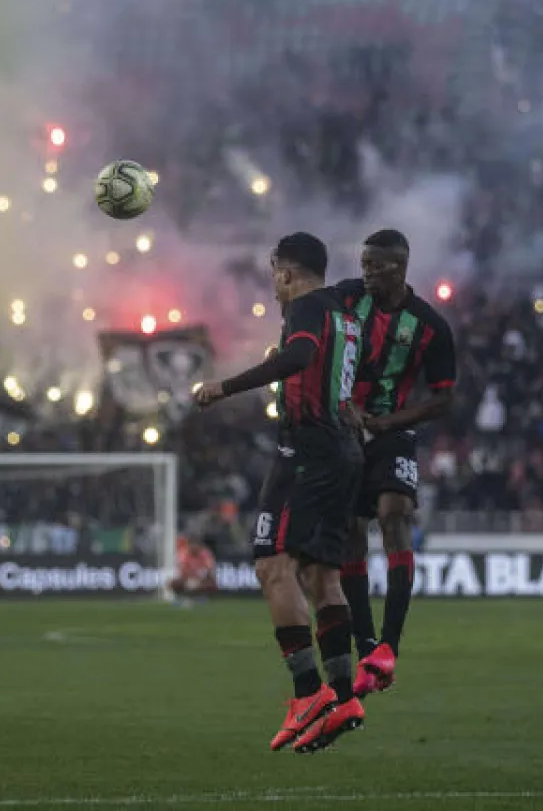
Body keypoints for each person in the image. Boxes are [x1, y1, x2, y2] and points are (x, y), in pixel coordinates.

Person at [196, 231, 366, 754]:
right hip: (343, 452)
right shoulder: (344, 312)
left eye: (275, 274)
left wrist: (222, 387)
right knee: (320, 574)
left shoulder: (307, 309)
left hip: (307, 453)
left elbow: (298, 358)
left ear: (287, 273)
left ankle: (306, 693)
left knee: (272, 564)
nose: (273, 284)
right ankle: (342, 698)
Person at [329, 229, 456, 699]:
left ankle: (390, 645)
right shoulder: (345, 298)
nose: (366, 274)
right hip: (343, 429)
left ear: (399, 267)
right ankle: (366, 647)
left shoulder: (429, 326)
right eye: (363, 264)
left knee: (392, 514)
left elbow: (443, 399)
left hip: (392, 430)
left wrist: (388, 422)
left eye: (375, 267)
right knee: (351, 533)